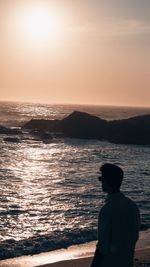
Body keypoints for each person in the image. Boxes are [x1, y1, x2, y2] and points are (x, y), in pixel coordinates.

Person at [90, 163, 141, 267]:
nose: (100, 181)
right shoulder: (133, 206)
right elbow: (135, 237)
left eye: (101, 178)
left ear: (107, 180)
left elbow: (102, 247)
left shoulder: (107, 209)